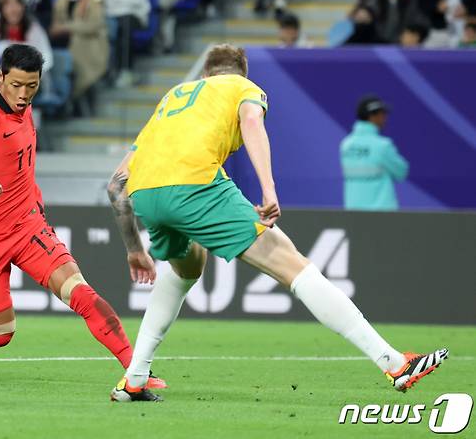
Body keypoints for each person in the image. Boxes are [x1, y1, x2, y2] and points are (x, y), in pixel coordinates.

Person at [106, 44, 447, 402]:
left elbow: (116, 186)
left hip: (145, 192)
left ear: (205, 75)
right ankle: (394, 363)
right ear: (242, 72)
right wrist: (269, 189)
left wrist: (133, 250)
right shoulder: (244, 88)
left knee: (188, 265)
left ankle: (134, 379)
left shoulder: (174, 96)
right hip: (195, 183)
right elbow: (252, 121)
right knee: (292, 264)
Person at [0, 44, 166, 389]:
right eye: (16, 85)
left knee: (81, 293)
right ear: (1, 77)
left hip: (27, 226)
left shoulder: (21, 100)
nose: (23, 95)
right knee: (0, 332)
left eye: (31, 87)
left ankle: (137, 370)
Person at [340, 95, 409, 211]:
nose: (385, 118)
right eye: (382, 114)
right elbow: (402, 172)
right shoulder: (383, 146)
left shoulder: (345, 145)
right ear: (372, 116)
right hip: (382, 215)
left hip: (353, 212)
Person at [49, 0, 108, 109]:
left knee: (79, 48)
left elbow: (93, 25)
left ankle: (78, 100)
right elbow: (55, 23)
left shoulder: (94, 0)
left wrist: (66, 28)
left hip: (90, 42)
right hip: (64, 42)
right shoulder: (62, 0)